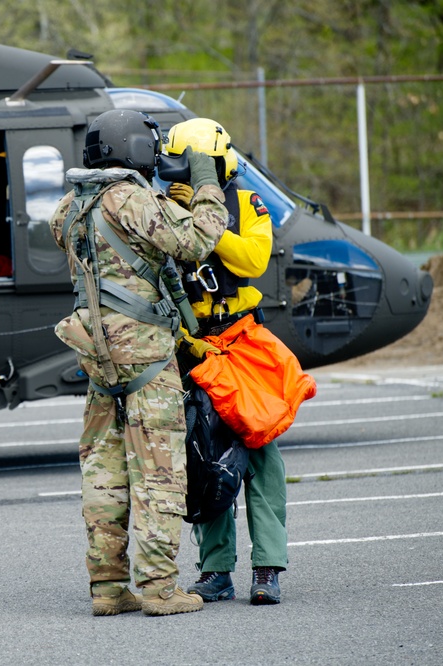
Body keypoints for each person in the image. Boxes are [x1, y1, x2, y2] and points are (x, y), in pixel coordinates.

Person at [47, 109, 228, 616]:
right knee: (158, 473)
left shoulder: (69, 208)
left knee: (104, 474)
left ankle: (107, 589)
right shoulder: (132, 199)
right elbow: (195, 240)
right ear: (137, 149)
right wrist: (206, 182)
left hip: (99, 358)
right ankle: (159, 588)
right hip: (146, 355)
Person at [164, 117, 285, 605]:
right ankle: (216, 571)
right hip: (194, 347)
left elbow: (253, 261)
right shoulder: (161, 208)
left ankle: (267, 569)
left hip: (241, 343)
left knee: (260, 457)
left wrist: (202, 218)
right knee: (203, 454)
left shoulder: (246, 203)